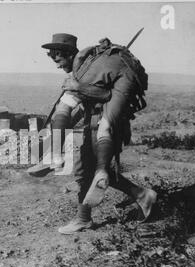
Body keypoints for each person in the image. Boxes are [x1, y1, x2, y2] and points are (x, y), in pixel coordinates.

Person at [37, 33, 157, 234]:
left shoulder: (90, 70)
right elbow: (79, 105)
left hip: (103, 124)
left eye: (56, 58)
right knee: (91, 171)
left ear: (65, 53)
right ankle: (142, 195)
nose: (56, 64)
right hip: (92, 122)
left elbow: (107, 95)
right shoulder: (84, 67)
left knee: (87, 171)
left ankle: (85, 218)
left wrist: (79, 88)